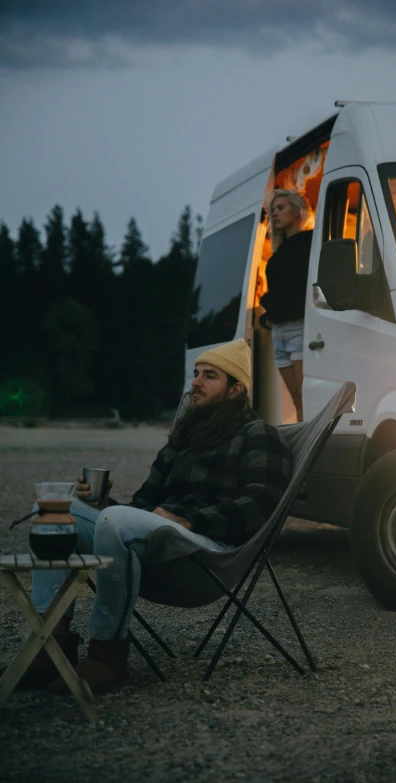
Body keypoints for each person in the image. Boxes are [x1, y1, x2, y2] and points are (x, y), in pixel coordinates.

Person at [15, 339, 291, 694]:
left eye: (209, 376)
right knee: (52, 509)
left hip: (205, 552)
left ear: (236, 390)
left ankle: (107, 658)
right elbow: (142, 507)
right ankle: (48, 647)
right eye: (195, 374)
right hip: (155, 544)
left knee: (116, 521)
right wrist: (103, 503)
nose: (195, 383)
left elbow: (262, 505)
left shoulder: (259, 435)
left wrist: (192, 521)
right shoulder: (182, 439)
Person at [260, 189, 313, 422]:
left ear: (297, 211)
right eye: (273, 210)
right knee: (297, 399)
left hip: (300, 326)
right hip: (279, 330)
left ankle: (307, 447)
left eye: (281, 208)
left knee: (305, 396)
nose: (275, 214)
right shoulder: (278, 253)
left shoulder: (310, 243)